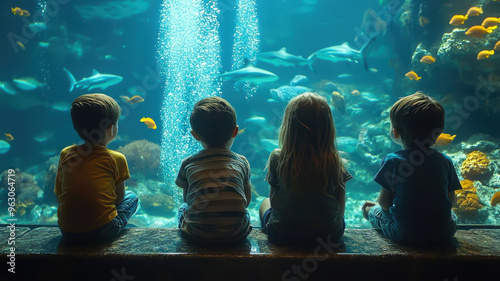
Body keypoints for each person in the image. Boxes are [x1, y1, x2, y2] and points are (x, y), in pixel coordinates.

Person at [362, 92, 461, 246]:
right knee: (452, 215)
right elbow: (451, 201)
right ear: (438, 133)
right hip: (443, 233)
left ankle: (368, 213)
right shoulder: (445, 161)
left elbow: (384, 203)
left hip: (405, 235)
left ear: (395, 132)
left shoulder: (393, 160)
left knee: (371, 209)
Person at [259, 92, 352, 245]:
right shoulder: (335, 161)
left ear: (289, 126)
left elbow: (275, 204)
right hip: (328, 235)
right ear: (328, 126)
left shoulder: (278, 158)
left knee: (265, 202)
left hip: (283, 234)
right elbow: (340, 208)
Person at [55, 93, 138, 243]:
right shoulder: (117, 158)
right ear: (110, 129)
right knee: (132, 197)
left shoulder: (65, 154)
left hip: (67, 232)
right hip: (102, 231)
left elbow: (58, 195)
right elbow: (119, 199)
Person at [176, 97, 252, 244]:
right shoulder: (242, 162)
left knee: (183, 208)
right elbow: (246, 201)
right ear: (235, 131)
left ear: (195, 135)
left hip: (196, 236)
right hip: (236, 235)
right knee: (245, 212)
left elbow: (187, 199)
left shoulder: (188, 163)